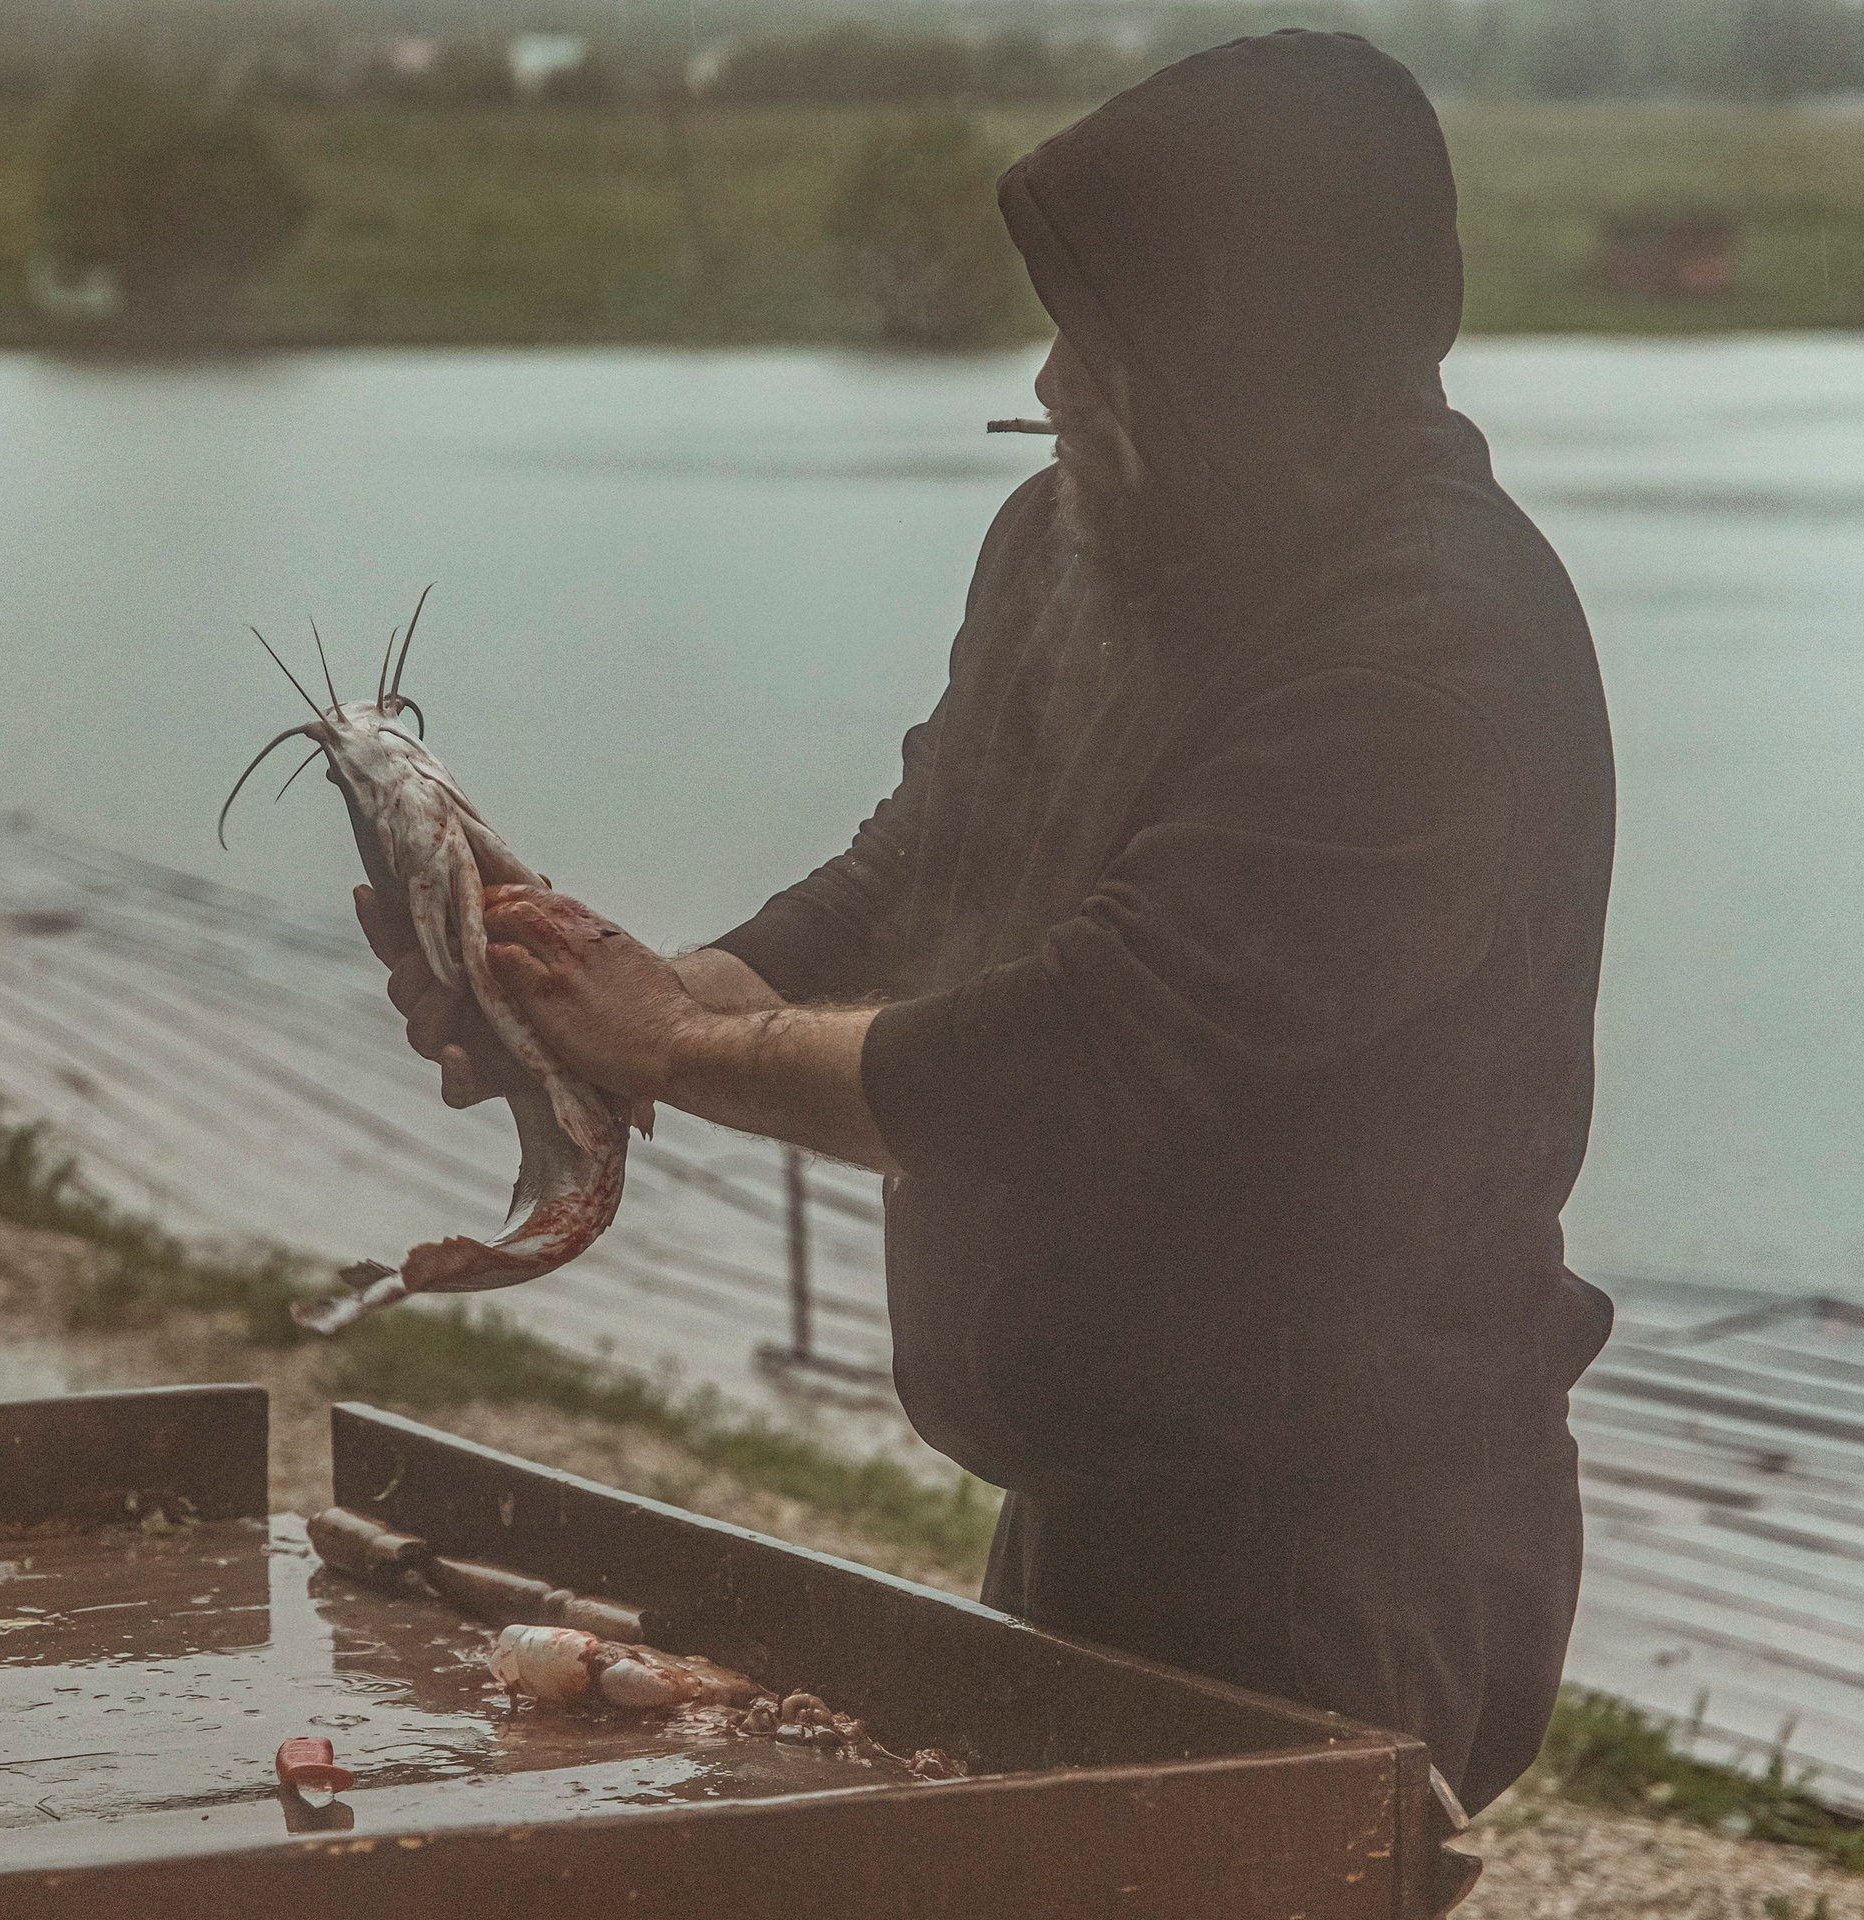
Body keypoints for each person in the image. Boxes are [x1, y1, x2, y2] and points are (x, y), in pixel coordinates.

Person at [354, 29, 1615, 1815]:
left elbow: (1084, 1049)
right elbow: (927, 863)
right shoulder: (1091, 536)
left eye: (1099, 347)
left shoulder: (1425, 661)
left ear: (1252, 353)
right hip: (1095, 1494)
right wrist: (609, 998)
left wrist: (676, 1052)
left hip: (1343, 1548)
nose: (1050, 382)